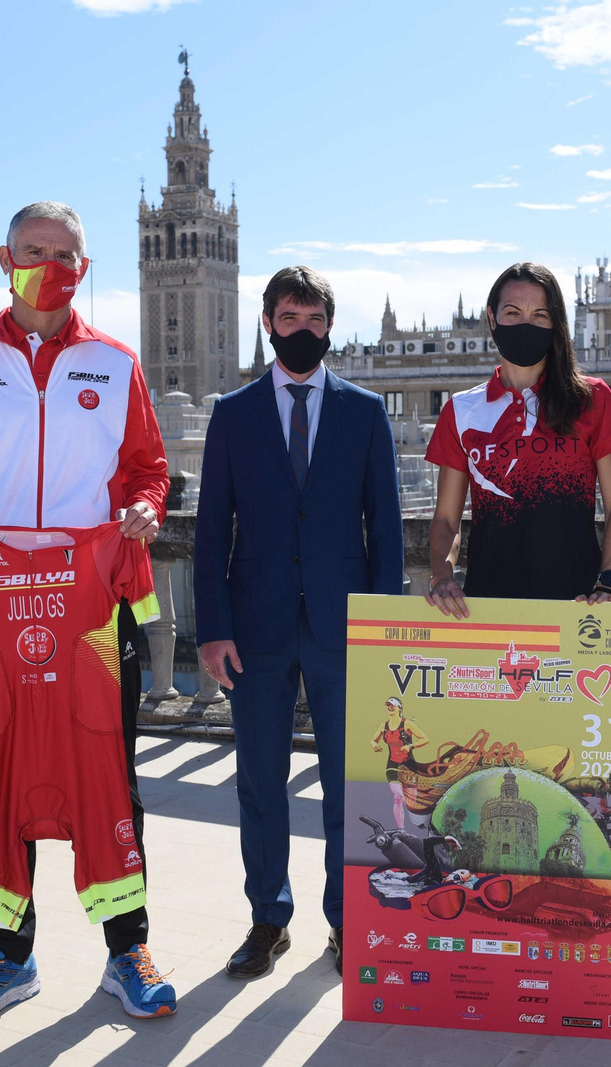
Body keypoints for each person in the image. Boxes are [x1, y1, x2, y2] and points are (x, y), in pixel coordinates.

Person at [0, 201, 177, 1024]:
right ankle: (9, 956)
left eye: (67, 254)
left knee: (110, 771)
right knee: (3, 767)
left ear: (85, 268)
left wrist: (144, 509)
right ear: (5, 257)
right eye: (36, 251)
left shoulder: (116, 364)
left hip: (94, 600)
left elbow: (149, 468)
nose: (52, 265)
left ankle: (126, 947)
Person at [195, 266, 404, 978]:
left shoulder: (364, 412)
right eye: (290, 318)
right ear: (268, 322)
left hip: (346, 627)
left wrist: (383, 628)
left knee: (351, 782)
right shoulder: (232, 413)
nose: (303, 331)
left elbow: (387, 529)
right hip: (254, 630)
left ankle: (348, 922)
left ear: (330, 326)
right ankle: (267, 918)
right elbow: (208, 531)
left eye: (315, 320)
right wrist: (212, 629)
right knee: (260, 778)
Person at [423, 262, 611, 616]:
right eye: (512, 312)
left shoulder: (593, 399)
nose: (526, 323)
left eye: (540, 314)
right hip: (487, 606)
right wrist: (442, 576)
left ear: (555, 323)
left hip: (578, 608)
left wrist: (608, 583)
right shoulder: (461, 410)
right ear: (492, 318)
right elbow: (446, 518)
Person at [372, 698, 428, 829]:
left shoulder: (407, 724)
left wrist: (410, 746)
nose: (390, 708)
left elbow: (425, 738)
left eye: (393, 706)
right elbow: (373, 740)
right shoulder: (383, 726)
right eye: (388, 705)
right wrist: (374, 744)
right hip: (392, 765)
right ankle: (401, 830)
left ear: (399, 708)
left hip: (408, 766)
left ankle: (420, 821)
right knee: (398, 797)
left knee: (411, 800)